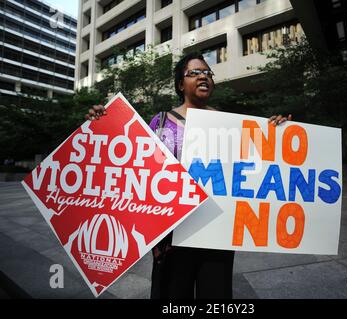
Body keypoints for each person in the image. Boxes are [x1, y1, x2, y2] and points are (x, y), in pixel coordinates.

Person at [86, 52, 291, 298]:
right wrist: (101, 125)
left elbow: (257, 168)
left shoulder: (231, 124)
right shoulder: (160, 122)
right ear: (181, 84)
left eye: (207, 73)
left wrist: (280, 133)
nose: (204, 76)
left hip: (218, 233)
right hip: (172, 237)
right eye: (195, 72)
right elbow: (134, 168)